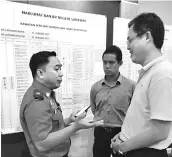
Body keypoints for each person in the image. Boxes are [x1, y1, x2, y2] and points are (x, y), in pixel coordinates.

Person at [20, 51, 103, 157]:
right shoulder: (37, 101)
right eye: (56, 69)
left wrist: (70, 120)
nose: (61, 73)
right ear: (41, 73)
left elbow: (51, 126)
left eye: (60, 68)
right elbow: (42, 143)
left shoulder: (47, 95)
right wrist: (76, 127)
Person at [111, 13, 172, 157]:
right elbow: (142, 119)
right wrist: (123, 134)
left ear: (147, 37)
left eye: (130, 40)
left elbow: (159, 131)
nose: (127, 47)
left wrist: (122, 147)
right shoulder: (150, 71)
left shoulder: (162, 73)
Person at [90, 45, 136, 157]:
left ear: (120, 63)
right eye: (104, 62)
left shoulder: (131, 86)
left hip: (122, 134)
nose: (107, 66)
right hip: (100, 134)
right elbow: (94, 109)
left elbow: (135, 112)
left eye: (111, 62)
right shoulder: (96, 87)